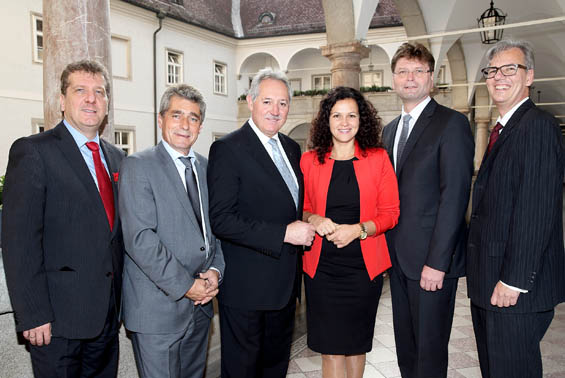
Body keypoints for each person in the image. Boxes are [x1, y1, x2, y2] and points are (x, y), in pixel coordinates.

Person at [1, 60, 125, 377]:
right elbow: (19, 242)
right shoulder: (34, 152)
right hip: (56, 323)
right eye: (80, 90)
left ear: (108, 103)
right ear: (61, 100)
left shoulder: (117, 158)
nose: (91, 99)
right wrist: (32, 314)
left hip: (106, 321)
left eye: (99, 92)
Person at [207, 67, 316, 378]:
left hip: (284, 290)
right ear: (250, 100)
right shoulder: (228, 149)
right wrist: (284, 233)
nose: (275, 110)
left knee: (275, 370)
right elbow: (222, 220)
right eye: (267, 101)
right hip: (247, 291)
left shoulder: (292, 149)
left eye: (282, 103)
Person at [467, 39, 565, 378]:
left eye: (511, 69)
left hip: (513, 289)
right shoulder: (505, 129)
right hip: (490, 282)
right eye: (492, 70)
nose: (499, 77)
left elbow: (535, 210)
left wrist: (514, 280)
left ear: (529, 77)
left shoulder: (536, 127)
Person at [119, 84, 225, 378]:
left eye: (192, 118)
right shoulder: (138, 166)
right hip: (157, 312)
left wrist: (215, 271)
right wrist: (186, 286)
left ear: (200, 126)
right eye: (176, 115)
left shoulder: (206, 168)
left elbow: (215, 232)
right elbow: (140, 239)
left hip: (201, 308)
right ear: (160, 118)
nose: (184, 124)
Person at [382, 43, 474, 378]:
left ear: (431, 79)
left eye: (418, 71)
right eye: (403, 71)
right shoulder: (390, 130)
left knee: (430, 353)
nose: (410, 78)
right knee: (406, 347)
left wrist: (437, 263)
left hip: (432, 265)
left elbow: (454, 197)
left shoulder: (451, 124)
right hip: (398, 261)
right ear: (393, 79)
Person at [300, 86, 399, 378]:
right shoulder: (309, 161)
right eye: (337, 115)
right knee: (330, 349)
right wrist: (315, 218)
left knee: (356, 347)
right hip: (321, 270)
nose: (344, 122)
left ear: (361, 119)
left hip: (363, 270)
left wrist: (359, 230)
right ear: (326, 121)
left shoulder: (378, 158)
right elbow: (301, 208)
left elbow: (391, 213)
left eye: (351, 115)